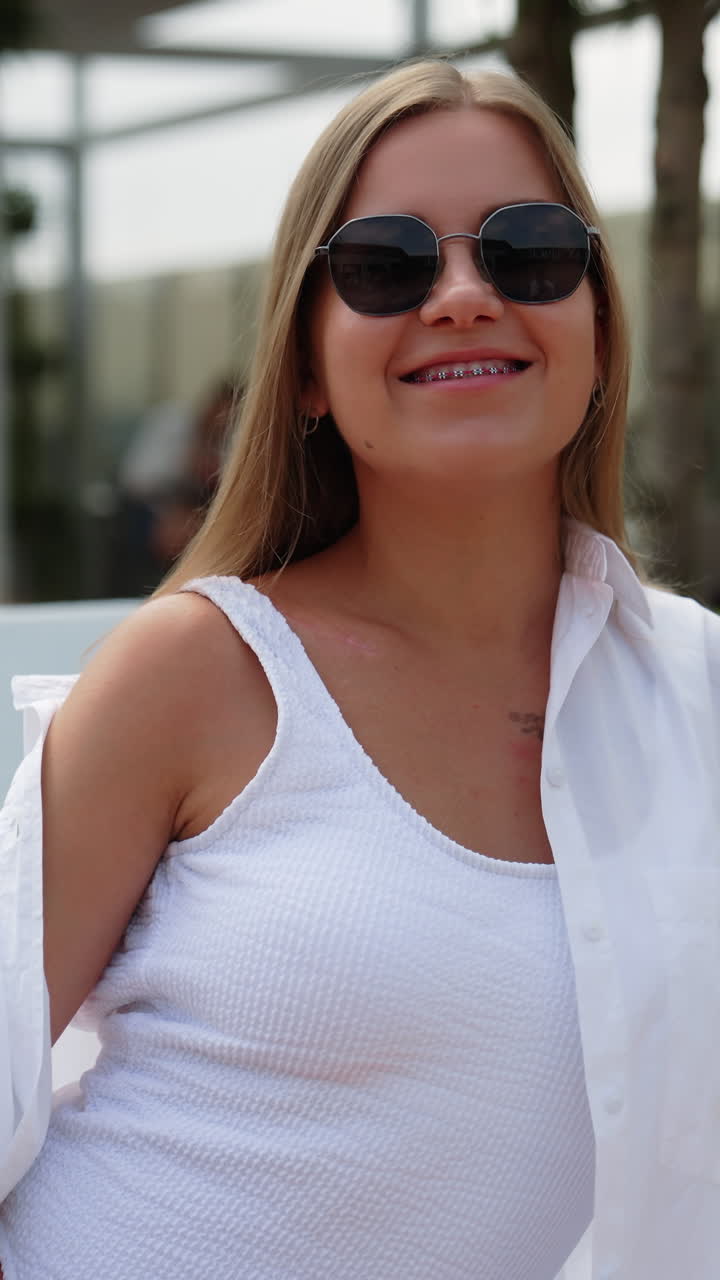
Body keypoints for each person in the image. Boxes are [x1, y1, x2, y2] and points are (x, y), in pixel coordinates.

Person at [0, 58, 718, 1280]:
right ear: (304, 368)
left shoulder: (694, 693)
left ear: (598, 329)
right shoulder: (197, 670)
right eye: (386, 265)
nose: (463, 296)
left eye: (529, 251)